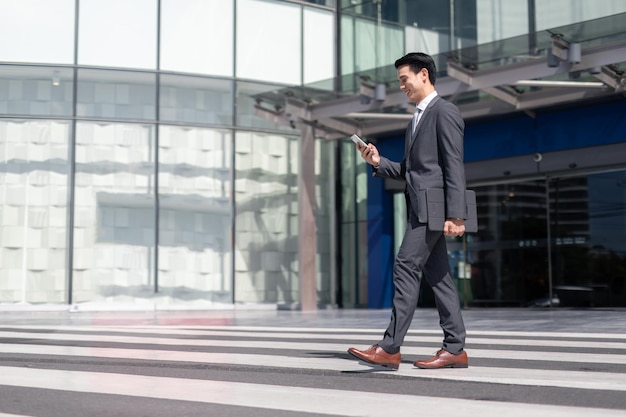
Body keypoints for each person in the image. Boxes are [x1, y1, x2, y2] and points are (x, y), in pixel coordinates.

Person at [347, 52, 469, 370]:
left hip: (433, 209)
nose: (402, 86)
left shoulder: (444, 112)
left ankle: (390, 347)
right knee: (439, 277)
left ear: (424, 75)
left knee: (405, 266)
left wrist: (456, 215)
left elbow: (453, 165)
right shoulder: (415, 119)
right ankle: (455, 348)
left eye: (404, 79)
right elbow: (412, 170)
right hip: (421, 207)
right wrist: (377, 162)